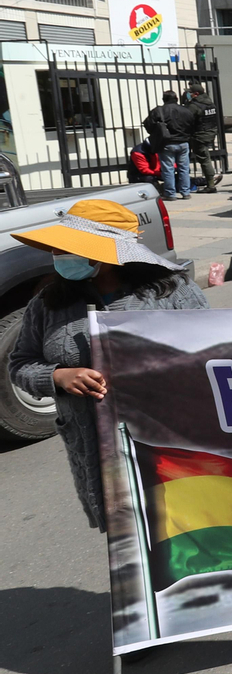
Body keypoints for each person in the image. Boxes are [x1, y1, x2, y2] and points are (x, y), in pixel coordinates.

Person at [8, 200, 209, 531]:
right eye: (59, 248)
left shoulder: (173, 292)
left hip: (170, 444)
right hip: (95, 450)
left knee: (184, 534)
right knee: (127, 545)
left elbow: (212, 357)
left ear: (113, 254)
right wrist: (57, 375)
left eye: (71, 247)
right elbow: (20, 365)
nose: (60, 255)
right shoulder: (46, 304)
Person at [143, 89, 194, 201]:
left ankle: (170, 194)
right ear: (176, 99)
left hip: (166, 143)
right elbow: (193, 124)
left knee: (168, 169)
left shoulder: (159, 111)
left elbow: (148, 124)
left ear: (163, 99)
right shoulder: (186, 110)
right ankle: (186, 192)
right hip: (183, 142)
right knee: (184, 168)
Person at [185, 82, 222, 193]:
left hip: (199, 135)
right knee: (205, 156)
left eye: (190, 92)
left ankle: (210, 184)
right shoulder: (210, 103)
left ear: (196, 93)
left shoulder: (194, 105)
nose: (189, 94)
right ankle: (209, 181)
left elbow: (187, 119)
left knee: (204, 159)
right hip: (210, 132)